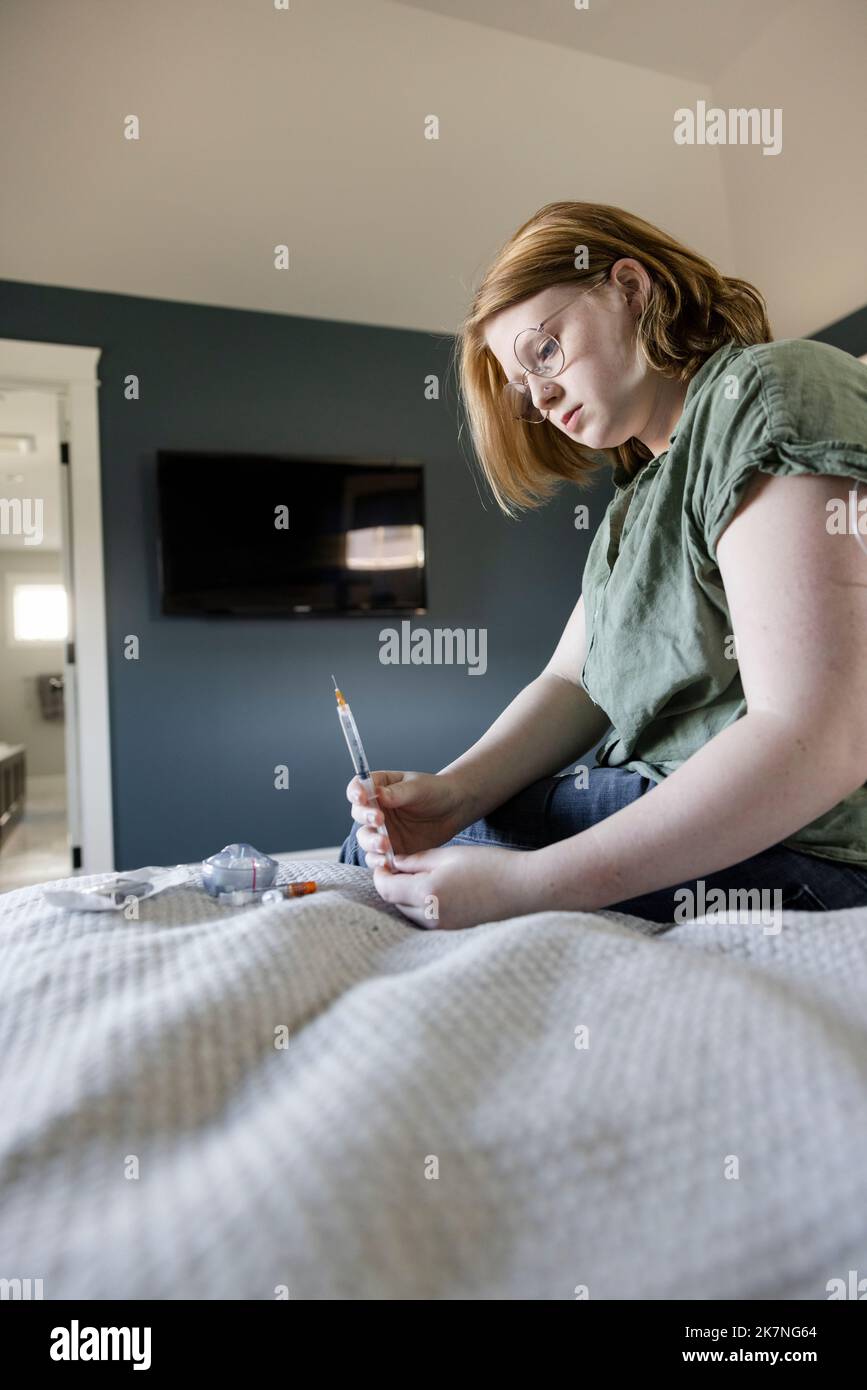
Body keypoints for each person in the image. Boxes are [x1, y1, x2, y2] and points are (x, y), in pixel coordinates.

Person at [339, 202, 867, 931]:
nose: (540, 395)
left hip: (806, 849)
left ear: (629, 288)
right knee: (380, 849)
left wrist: (525, 886)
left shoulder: (767, 393)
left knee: (379, 863)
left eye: (544, 352)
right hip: (658, 798)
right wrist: (456, 794)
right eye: (522, 387)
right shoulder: (635, 499)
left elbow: (816, 739)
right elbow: (570, 681)